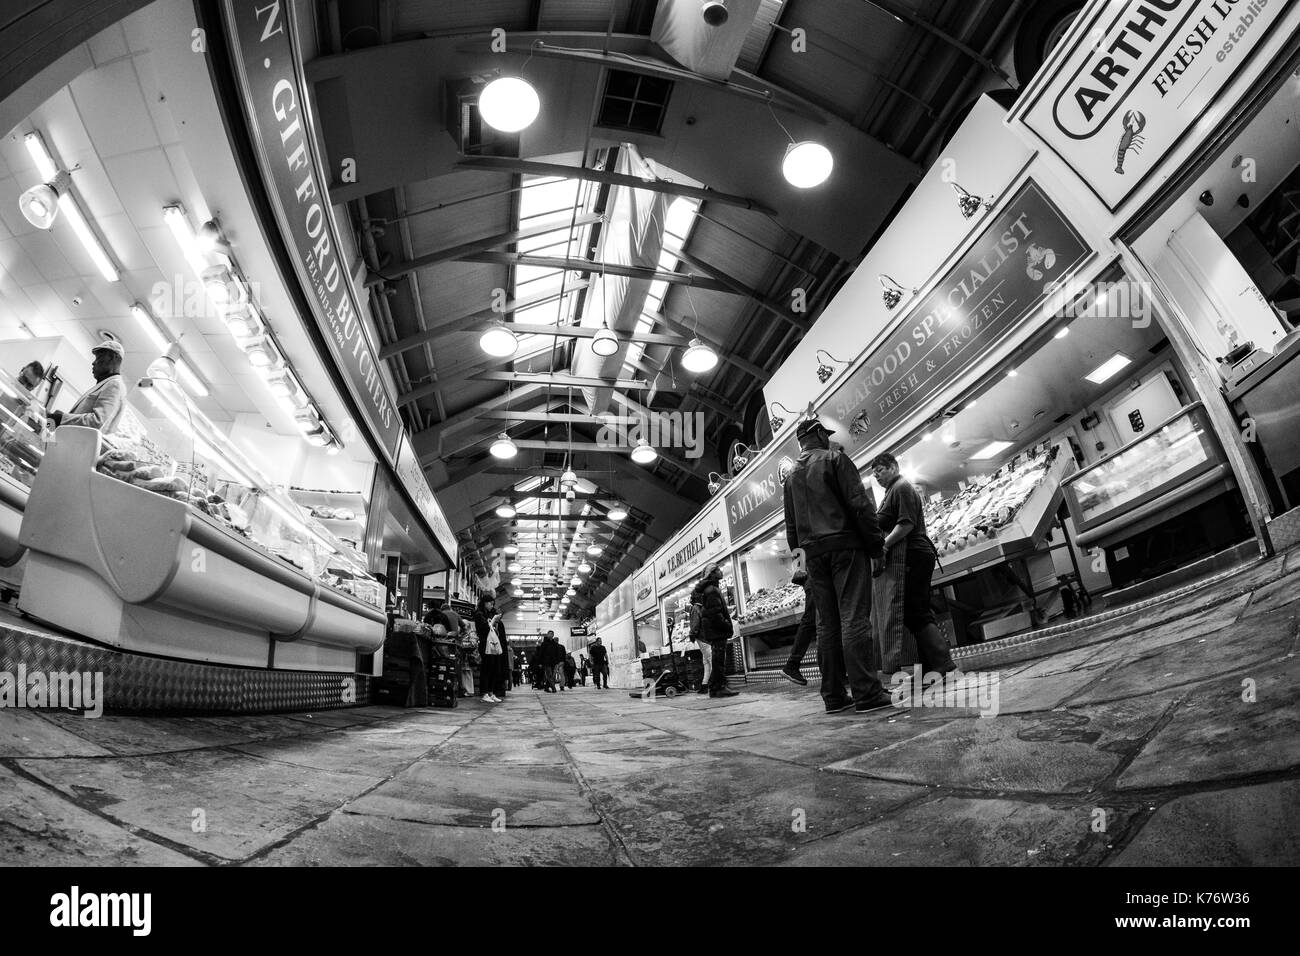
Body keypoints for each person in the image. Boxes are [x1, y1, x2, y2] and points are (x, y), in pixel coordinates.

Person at [783, 417, 893, 715]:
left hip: (814, 557)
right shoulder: (835, 459)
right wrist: (876, 547)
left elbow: (791, 529)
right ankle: (867, 694)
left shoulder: (791, 476)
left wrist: (801, 565)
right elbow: (860, 506)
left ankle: (833, 696)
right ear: (818, 434)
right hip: (845, 547)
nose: (828, 439)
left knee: (827, 625)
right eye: (826, 434)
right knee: (854, 619)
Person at [870, 452, 957, 676]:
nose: (877, 476)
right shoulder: (891, 492)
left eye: (880, 470)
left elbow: (906, 525)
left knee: (915, 611)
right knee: (913, 611)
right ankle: (930, 668)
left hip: (915, 555)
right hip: (908, 556)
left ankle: (943, 663)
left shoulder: (902, 487)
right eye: (874, 473)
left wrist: (884, 546)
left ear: (893, 466)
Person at [49, 340, 126, 434]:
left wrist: (62, 418)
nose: (93, 363)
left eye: (99, 357)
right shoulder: (106, 384)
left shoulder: (115, 385)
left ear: (111, 358)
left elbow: (97, 421)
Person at [691, 563, 738, 699]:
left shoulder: (711, 588)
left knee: (717, 660)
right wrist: (727, 625)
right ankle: (718, 688)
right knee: (718, 661)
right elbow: (714, 613)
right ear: (712, 574)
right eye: (717, 569)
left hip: (714, 631)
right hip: (717, 631)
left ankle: (716, 688)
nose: (720, 571)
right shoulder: (711, 590)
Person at [779, 569, 816, 686]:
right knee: (810, 621)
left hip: (815, 579)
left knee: (815, 622)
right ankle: (792, 664)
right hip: (817, 579)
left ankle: (834, 672)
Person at [473, 595, 506, 703]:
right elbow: (483, 628)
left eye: (493, 604)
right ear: (484, 603)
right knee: (486, 669)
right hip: (484, 644)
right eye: (490, 603)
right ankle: (484, 693)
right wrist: (493, 621)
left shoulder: (490, 614)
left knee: (494, 668)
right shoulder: (479, 614)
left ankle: (491, 692)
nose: (492, 606)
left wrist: (496, 621)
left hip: (493, 644)